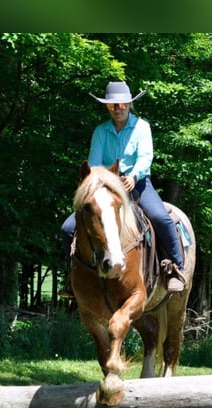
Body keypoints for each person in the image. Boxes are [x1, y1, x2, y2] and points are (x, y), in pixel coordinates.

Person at [61, 81, 185, 293]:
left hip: (137, 183)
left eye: (121, 105)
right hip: (106, 187)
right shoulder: (101, 131)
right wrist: (103, 181)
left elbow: (146, 156)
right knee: (68, 228)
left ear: (129, 104)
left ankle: (175, 269)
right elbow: (94, 164)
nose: (118, 109)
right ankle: (75, 276)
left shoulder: (142, 127)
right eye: (112, 106)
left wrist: (134, 176)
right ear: (107, 107)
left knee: (160, 217)